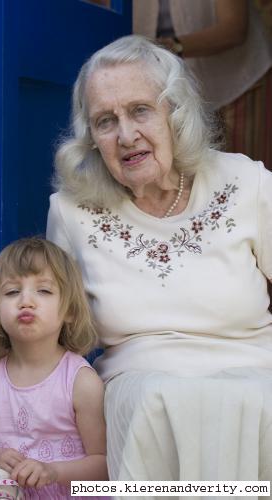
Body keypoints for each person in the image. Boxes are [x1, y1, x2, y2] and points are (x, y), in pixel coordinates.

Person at [46, 35, 272, 489]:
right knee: (162, 398)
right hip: (142, 381)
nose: (126, 135)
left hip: (255, 369)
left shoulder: (247, 181)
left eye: (140, 110)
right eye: (105, 121)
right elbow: (57, 335)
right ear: (92, 138)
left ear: (175, 111)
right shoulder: (71, 212)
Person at [0, 238, 108, 499]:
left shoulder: (81, 381)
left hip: (62, 490)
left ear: (70, 311)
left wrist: (52, 472)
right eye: (11, 292)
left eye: (43, 291)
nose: (26, 301)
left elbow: (103, 464)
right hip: (1, 490)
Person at [134, 0, 272, 171]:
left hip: (238, 81)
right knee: (193, 179)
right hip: (166, 88)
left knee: (250, 175)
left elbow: (233, 30)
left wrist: (168, 47)